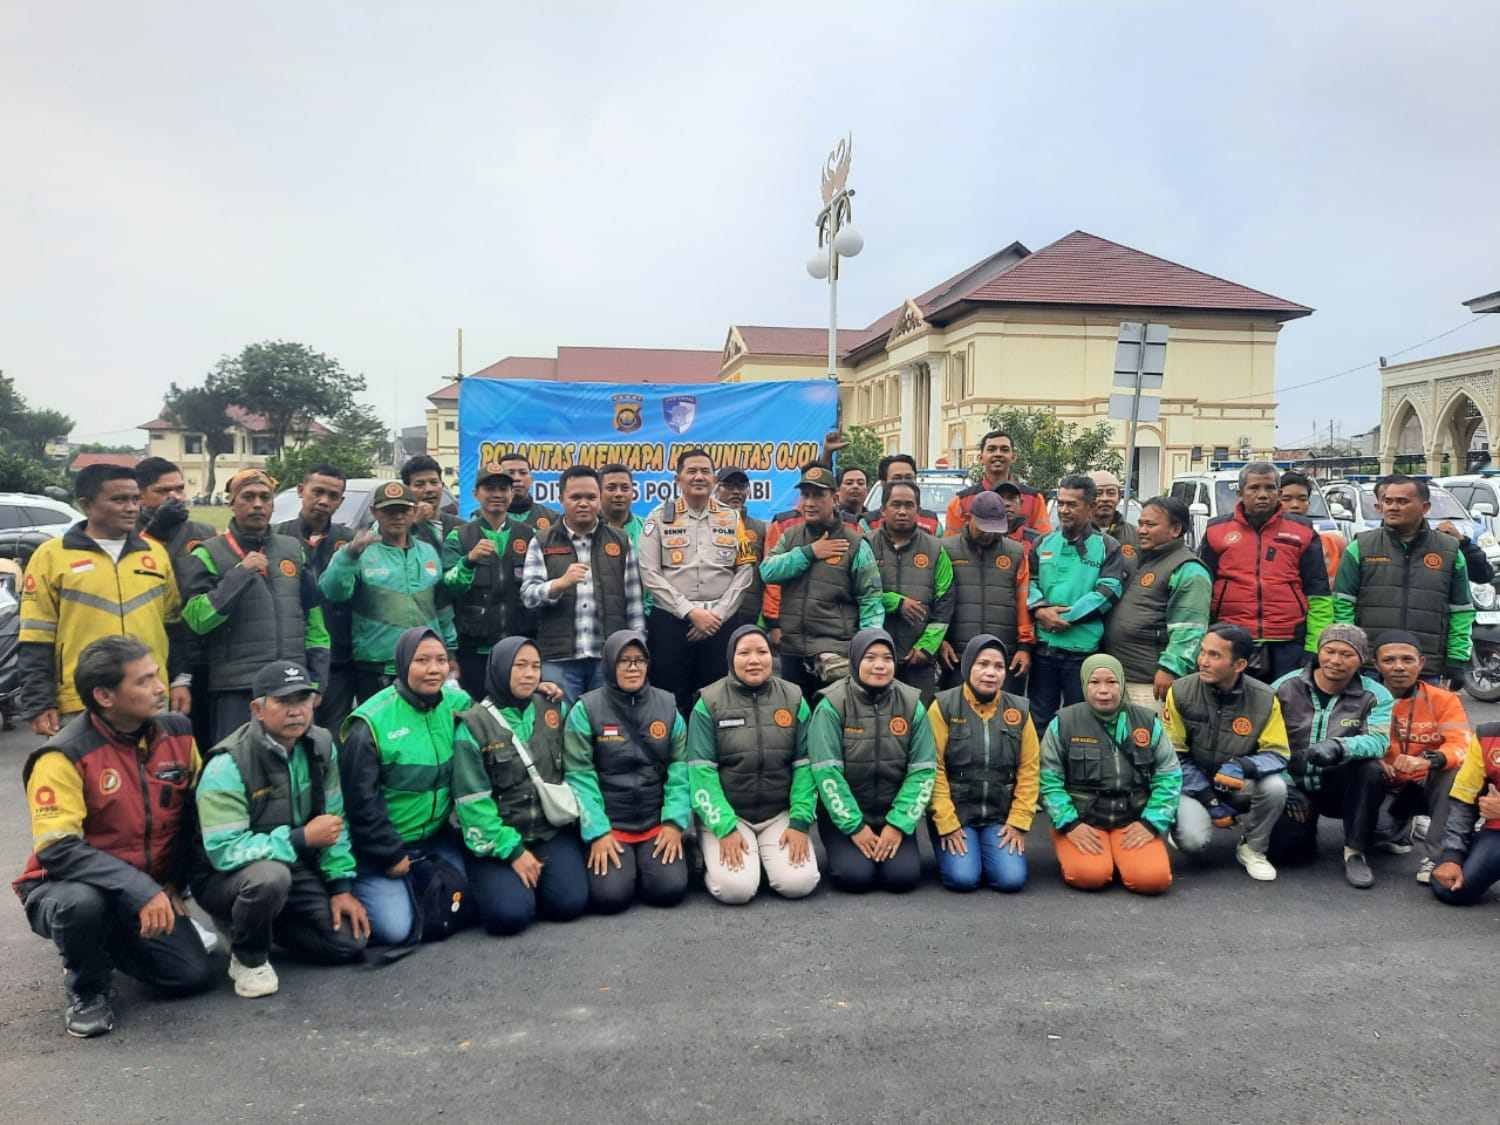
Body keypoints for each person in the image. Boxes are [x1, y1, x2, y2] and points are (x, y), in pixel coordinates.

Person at [13, 636, 215, 1038]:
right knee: (81, 905)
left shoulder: (178, 733)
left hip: (144, 888)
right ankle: (87, 989)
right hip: (65, 886)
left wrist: (174, 885)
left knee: (190, 975)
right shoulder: (61, 756)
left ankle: (105, 940)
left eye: (157, 675)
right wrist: (141, 890)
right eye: (143, 681)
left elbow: (192, 816)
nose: (160, 688)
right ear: (104, 696)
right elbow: (58, 849)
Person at [193, 661, 368, 997]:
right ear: (257, 709)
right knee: (270, 878)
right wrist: (300, 838)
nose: (296, 711)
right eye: (283, 701)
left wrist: (340, 887)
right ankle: (248, 956)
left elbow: (334, 821)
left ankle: (258, 922)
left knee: (349, 943)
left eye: (303, 700)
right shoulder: (227, 764)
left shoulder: (321, 744)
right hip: (225, 876)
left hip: (291, 863)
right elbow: (224, 850)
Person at [19, 464, 188, 736]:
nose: (131, 508)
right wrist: (39, 702)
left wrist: (180, 680)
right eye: (119, 500)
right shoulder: (51, 556)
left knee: (153, 765)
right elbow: (35, 637)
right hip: (81, 702)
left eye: (135, 499)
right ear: (86, 504)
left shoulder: (155, 554)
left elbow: (174, 627)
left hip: (150, 697)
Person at [339, 627, 473, 944]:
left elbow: (499, 717)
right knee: (396, 929)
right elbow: (360, 804)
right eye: (422, 660)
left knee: (467, 899)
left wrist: (539, 693)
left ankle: (417, 883)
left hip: (434, 838)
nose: (433, 669)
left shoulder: (457, 703)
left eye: (441, 660)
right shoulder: (370, 723)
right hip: (382, 846)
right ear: (402, 664)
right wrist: (389, 853)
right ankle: (353, 887)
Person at [178, 469, 330, 742]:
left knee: (293, 762)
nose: (257, 504)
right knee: (237, 762)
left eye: (265, 497)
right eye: (248, 497)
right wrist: (240, 574)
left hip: (292, 684)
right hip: (237, 687)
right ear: (231, 503)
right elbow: (197, 621)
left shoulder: (293, 549)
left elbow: (314, 620)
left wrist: (316, 679)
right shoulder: (207, 552)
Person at [452, 637, 590, 934]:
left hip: (548, 830)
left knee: (570, 903)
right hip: (500, 837)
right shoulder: (473, 725)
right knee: (509, 916)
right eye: (520, 666)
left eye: (536, 667)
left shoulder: (553, 708)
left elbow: (578, 767)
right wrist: (514, 852)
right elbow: (473, 803)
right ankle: (502, 886)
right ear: (500, 668)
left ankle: (534, 884)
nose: (529, 674)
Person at [688, 626, 820, 903]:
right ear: (731, 658)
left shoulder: (794, 698)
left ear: (772, 655)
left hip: (778, 814)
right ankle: (706, 852)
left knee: (799, 883)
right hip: (730, 815)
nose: (754, 660)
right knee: (736, 890)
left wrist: (799, 821)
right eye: (744, 653)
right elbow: (701, 772)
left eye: (762, 652)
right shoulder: (708, 702)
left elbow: (806, 765)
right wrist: (724, 827)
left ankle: (762, 858)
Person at [563, 631, 691, 913]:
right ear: (609, 664)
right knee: (610, 897)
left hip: (655, 822)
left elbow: (680, 769)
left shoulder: (668, 706)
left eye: (639, 660)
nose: (633, 668)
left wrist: (674, 823)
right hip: (611, 824)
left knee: (668, 889)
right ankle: (625, 865)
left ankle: (663, 859)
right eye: (624, 661)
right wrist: (597, 832)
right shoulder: (585, 709)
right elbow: (578, 775)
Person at [807, 628, 936, 894]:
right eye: (870, 658)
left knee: (902, 878)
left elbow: (922, 771)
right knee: (855, 877)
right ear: (855, 660)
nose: (880, 665)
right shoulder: (831, 705)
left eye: (887, 658)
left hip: (893, 814)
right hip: (845, 817)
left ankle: (890, 840)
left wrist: (898, 825)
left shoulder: (912, 704)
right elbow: (827, 773)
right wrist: (855, 827)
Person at [1038, 654, 1180, 894]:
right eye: (1095, 682)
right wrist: (1069, 823)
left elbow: (1169, 774)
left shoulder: (1147, 722)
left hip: (1132, 819)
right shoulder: (1063, 723)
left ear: (1122, 683)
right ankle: (1098, 854)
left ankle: (1119, 854)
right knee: (1089, 876)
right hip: (1083, 820)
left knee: (1152, 880)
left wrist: (1151, 822)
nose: (1103, 690)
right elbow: (1047, 778)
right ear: (1084, 684)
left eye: (1111, 682)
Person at [1269, 625, 1393, 888]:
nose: (1336, 660)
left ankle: (1355, 851)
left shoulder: (1375, 694)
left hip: (1340, 782)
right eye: (1330, 651)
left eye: (1347, 654)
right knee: (1289, 854)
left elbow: (1379, 741)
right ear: (1319, 651)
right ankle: (1303, 827)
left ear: (1361, 659)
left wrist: (1339, 747)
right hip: (1295, 782)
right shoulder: (1284, 686)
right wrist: (1285, 784)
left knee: (1372, 769)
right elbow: (1262, 740)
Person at [1163, 624, 1290, 881]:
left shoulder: (1266, 698)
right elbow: (1172, 756)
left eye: (1214, 655)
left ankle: (1253, 849)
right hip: (1190, 785)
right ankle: (1182, 825)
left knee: (1275, 787)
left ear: (1239, 664)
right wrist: (1210, 800)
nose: (1202, 661)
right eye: (1202, 652)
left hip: (1234, 781)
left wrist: (1242, 766)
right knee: (1192, 842)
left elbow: (1277, 753)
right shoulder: (1179, 691)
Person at [638, 449, 757, 716]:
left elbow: (745, 569)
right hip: (671, 622)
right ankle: (675, 744)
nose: (699, 477)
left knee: (720, 700)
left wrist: (717, 615)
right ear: (678, 479)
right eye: (691, 471)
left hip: (720, 624)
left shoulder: (732, 517)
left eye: (705, 471)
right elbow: (649, 573)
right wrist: (691, 612)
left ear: (714, 479)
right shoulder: (658, 517)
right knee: (669, 699)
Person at [521, 465, 647, 704]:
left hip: (608, 657)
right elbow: (528, 596)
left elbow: (634, 604)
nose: (583, 503)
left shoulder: (621, 541)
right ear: (561, 499)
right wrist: (559, 584)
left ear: (599, 498)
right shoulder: (542, 541)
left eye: (591, 497)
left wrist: (636, 650)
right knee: (558, 720)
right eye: (575, 497)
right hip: (558, 659)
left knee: (606, 722)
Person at [319, 481, 455, 703]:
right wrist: (350, 555)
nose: (397, 517)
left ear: (414, 511)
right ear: (374, 512)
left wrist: (450, 650)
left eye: (403, 510)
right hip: (377, 666)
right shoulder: (359, 551)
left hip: (424, 663)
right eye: (389, 511)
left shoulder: (428, 551)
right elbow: (333, 593)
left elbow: (442, 607)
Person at [1333, 474, 1473, 686]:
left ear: (1425, 507)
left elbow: (1461, 609)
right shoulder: (1360, 547)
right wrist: (1350, 650)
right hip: (1371, 667)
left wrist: (1457, 658)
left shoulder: (1450, 551)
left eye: (1402, 501)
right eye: (1388, 501)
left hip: (1425, 666)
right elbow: (1342, 605)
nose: (1393, 507)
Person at [759, 463, 884, 699]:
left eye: (818, 495)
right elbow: (768, 571)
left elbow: (871, 599)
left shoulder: (854, 543)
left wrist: (868, 648)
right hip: (793, 650)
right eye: (805, 495)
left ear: (835, 499)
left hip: (836, 652)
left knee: (832, 716)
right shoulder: (791, 536)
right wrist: (809, 553)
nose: (809, 502)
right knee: (796, 715)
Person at [1200, 461, 1331, 682]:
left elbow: (1319, 593)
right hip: (1232, 639)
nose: (1262, 494)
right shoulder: (1216, 530)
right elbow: (1203, 590)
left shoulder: (1303, 531)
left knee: (1287, 700)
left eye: (1270, 488)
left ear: (1278, 493)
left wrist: (1315, 645)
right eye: (1254, 488)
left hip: (1289, 641)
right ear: (1240, 493)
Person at [927, 635, 1039, 893]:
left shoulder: (1019, 710)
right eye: (982, 664)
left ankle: (986, 853)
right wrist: (946, 823)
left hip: (998, 815)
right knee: (963, 878)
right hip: (956, 815)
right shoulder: (943, 706)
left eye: (998, 666)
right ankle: (966, 854)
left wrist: (1018, 821)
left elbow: (1030, 769)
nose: (991, 673)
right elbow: (933, 768)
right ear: (968, 666)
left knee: (1011, 879)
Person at [1027, 474, 1128, 735]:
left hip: (1083, 653)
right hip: (1044, 649)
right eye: (1060, 503)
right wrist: (1040, 610)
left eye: (1072, 504)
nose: (1064, 510)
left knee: (1080, 724)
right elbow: (1029, 582)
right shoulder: (1043, 543)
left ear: (1090, 507)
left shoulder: (1107, 546)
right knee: (1038, 721)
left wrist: (1066, 618)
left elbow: (1108, 591)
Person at [1372, 630, 1467, 883]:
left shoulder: (1444, 700)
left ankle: (1438, 856)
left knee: (1454, 771)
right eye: (1389, 660)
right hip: (1387, 783)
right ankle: (1402, 827)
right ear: (1376, 665)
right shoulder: (1365, 697)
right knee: (1381, 834)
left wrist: (1430, 760)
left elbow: (1461, 745)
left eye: (1407, 659)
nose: (1399, 667)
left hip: (1427, 781)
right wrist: (1376, 761)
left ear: (1421, 663)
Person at [1101, 496, 1211, 710]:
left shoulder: (1189, 570)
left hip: (1150, 682)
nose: (1141, 530)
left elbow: (1190, 629)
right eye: (1140, 523)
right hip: (1120, 674)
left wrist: (1170, 668)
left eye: (1150, 525)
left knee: (1148, 730)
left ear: (1175, 529)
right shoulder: (1139, 558)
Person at [274, 464, 357, 729]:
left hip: (339, 660)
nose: (324, 501)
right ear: (301, 490)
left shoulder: (350, 541)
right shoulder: (276, 537)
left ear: (341, 501)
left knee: (332, 737)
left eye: (333, 496)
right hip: (290, 657)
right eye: (317, 492)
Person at [442, 462, 534, 699]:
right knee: (475, 711)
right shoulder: (460, 536)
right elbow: (448, 585)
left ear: (511, 494)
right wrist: (468, 561)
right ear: (476, 494)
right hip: (474, 649)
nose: (497, 494)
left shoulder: (528, 535)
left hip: (517, 647)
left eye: (503, 489)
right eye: (489, 488)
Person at [938, 491, 1033, 691]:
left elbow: (1023, 601)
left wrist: (1024, 647)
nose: (989, 534)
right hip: (956, 656)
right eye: (984, 528)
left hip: (1003, 656)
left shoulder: (1016, 553)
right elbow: (936, 600)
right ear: (970, 517)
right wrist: (941, 641)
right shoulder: (945, 549)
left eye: (995, 528)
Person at [868, 480, 952, 702]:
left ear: (918, 510)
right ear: (883, 509)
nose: (902, 511)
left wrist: (926, 648)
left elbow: (944, 605)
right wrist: (895, 602)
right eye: (896, 504)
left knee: (918, 717)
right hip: (872, 657)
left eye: (909, 505)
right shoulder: (865, 545)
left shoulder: (936, 549)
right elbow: (854, 593)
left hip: (919, 661)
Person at [1429, 720, 1500, 905]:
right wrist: (1452, 855)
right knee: (1450, 888)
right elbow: (1464, 800)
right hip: (1497, 831)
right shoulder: (1488, 735)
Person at [946, 430, 1051, 538]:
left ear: (1013, 457)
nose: (998, 454)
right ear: (980, 458)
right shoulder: (961, 502)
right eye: (991, 449)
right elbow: (953, 544)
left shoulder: (1034, 499)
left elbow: (1045, 541)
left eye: (1004, 450)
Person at [135, 456, 216, 562]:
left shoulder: (206, 533)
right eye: (162, 491)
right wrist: (155, 532)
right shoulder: (122, 535)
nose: (176, 497)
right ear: (139, 496)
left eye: (180, 489)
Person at [715, 465, 766, 630]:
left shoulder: (761, 528)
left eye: (741, 486)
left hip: (749, 613)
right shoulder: (704, 524)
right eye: (729, 486)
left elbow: (767, 575)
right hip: (712, 613)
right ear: (716, 489)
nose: (736, 491)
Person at [1279, 471, 1345, 582]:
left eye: (1302, 499)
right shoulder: (1263, 544)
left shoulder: (1333, 544)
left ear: (1309, 503)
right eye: (1286, 499)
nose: (1295, 505)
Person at [868, 454, 942, 535]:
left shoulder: (932, 522)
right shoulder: (868, 523)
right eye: (897, 478)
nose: (904, 483)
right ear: (883, 483)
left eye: (908, 478)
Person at [401, 455, 462, 551]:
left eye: (434, 482)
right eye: (419, 484)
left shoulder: (460, 527)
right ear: (406, 489)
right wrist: (413, 524)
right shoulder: (394, 524)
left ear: (442, 485)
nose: (429, 489)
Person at [498, 451, 561, 532]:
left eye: (523, 473)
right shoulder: (484, 517)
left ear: (531, 479)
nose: (517, 478)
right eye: (510, 473)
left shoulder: (552, 518)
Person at [1088, 469, 1140, 564]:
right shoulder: (1075, 535)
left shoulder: (1136, 535)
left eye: (1111, 493)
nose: (1105, 498)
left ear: (1119, 498)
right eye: (1098, 493)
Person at [836, 465, 872, 532]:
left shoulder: (875, 522)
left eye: (860, 483)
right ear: (837, 490)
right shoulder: (830, 520)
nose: (855, 486)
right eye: (849, 483)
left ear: (868, 490)